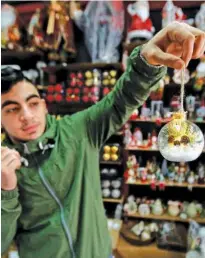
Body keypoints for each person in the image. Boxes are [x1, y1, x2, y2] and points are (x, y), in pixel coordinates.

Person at [1, 22, 205, 258]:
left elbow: (120, 101)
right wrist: (6, 191)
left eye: (33, 103)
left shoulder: (76, 131)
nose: (27, 115)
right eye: (12, 109)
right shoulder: (3, 167)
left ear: (44, 106)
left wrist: (147, 63)